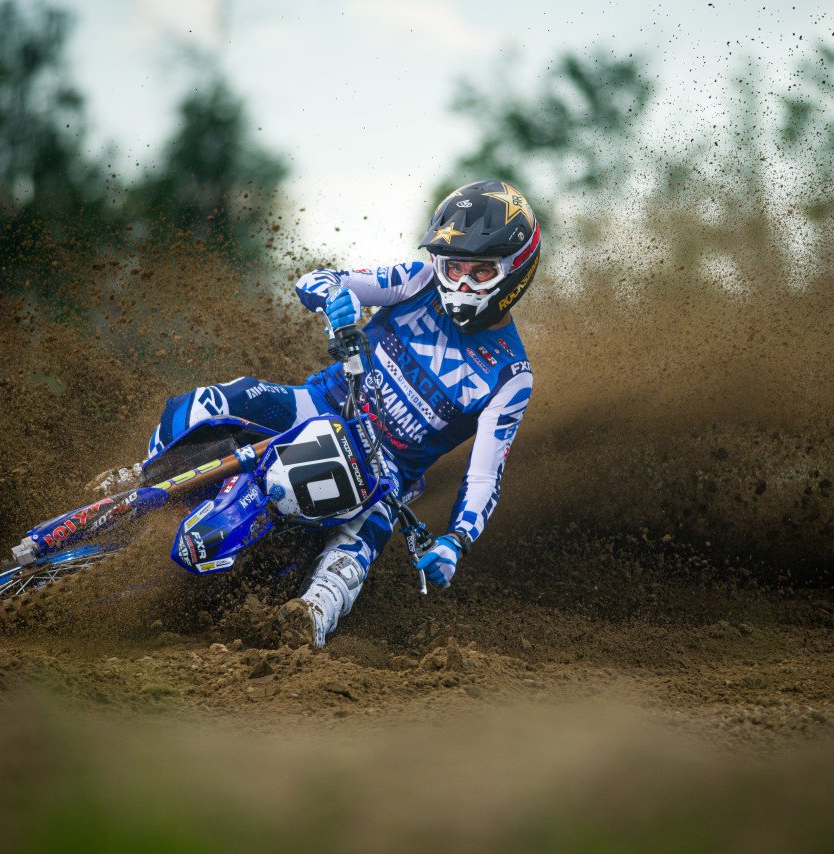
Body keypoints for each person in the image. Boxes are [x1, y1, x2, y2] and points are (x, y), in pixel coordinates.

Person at [144, 179, 540, 648]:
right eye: (454, 267)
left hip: (384, 472)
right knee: (221, 399)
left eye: (481, 271)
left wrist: (456, 541)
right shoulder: (417, 280)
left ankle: (310, 616)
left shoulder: (511, 375)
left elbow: (484, 476)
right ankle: (137, 477)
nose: (462, 283)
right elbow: (318, 280)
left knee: (352, 553)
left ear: (515, 271)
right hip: (322, 403)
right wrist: (335, 298)